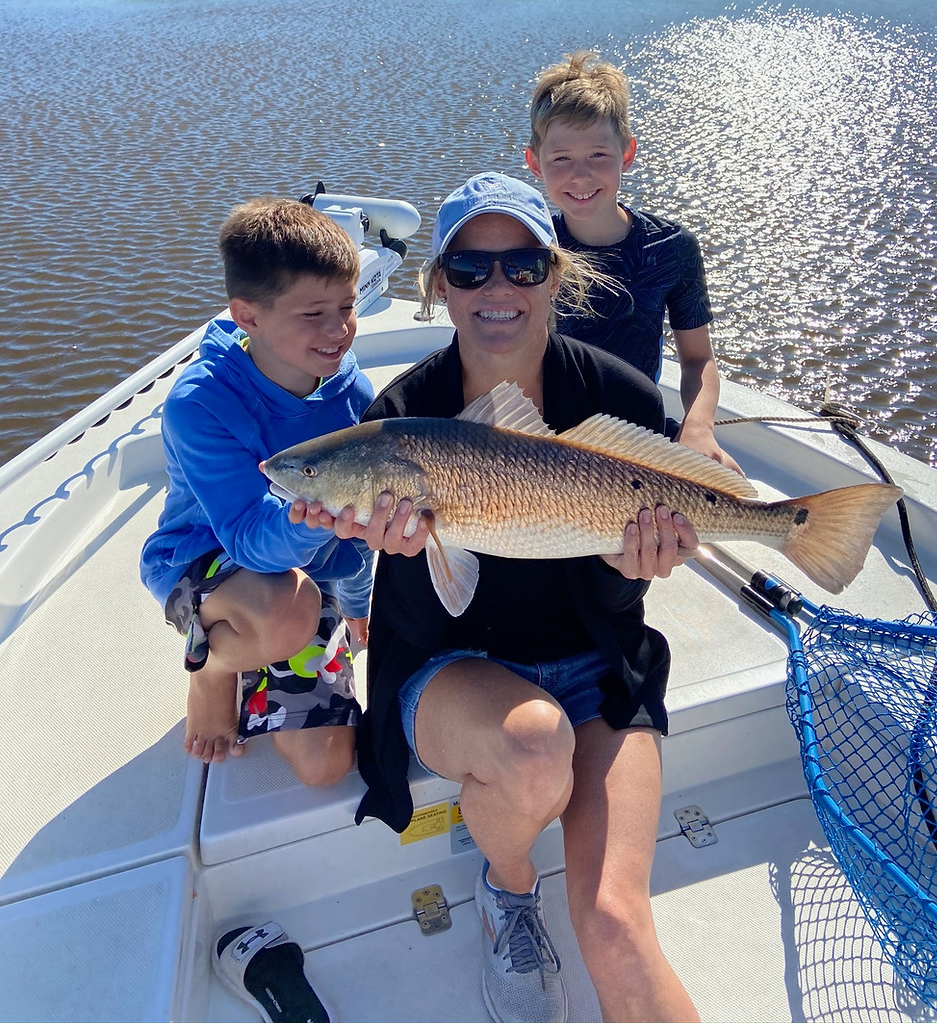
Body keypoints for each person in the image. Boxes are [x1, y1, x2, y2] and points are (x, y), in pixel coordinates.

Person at [323, 173, 702, 1023]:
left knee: (614, 921)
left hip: (599, 664)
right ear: (439, 286)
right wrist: (390, 547)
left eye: (524, 265)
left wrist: (635, 560)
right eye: (469, 268)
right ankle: (509, 887)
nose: (497, 287)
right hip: (455, 670)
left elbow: (614, 591)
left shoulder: (620, 396)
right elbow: (423, 601)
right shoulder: (402, 416)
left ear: (556, 277)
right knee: (533, 745)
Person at [140, 197, 374, 787]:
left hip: (305, 564)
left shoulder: (352, 393)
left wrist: (357, 600)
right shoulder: (201, 404)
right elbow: (245, 538)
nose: (337, 329)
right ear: (248, 316)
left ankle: (259, 653)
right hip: (208, 561)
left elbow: (360, 522)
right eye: (312, 313)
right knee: (287, 611)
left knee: (325, 769)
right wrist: (320, 513)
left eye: (346, 306)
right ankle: (212, 667)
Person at [526, 50, 740, 472]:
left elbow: (698, 358)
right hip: (548, 441)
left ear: (627, 153)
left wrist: (698, 427)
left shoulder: (672, 248)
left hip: (639, 434)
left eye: (599, 156)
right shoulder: (533, 248)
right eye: (561, 159)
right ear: (536, 163)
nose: (581, 176)